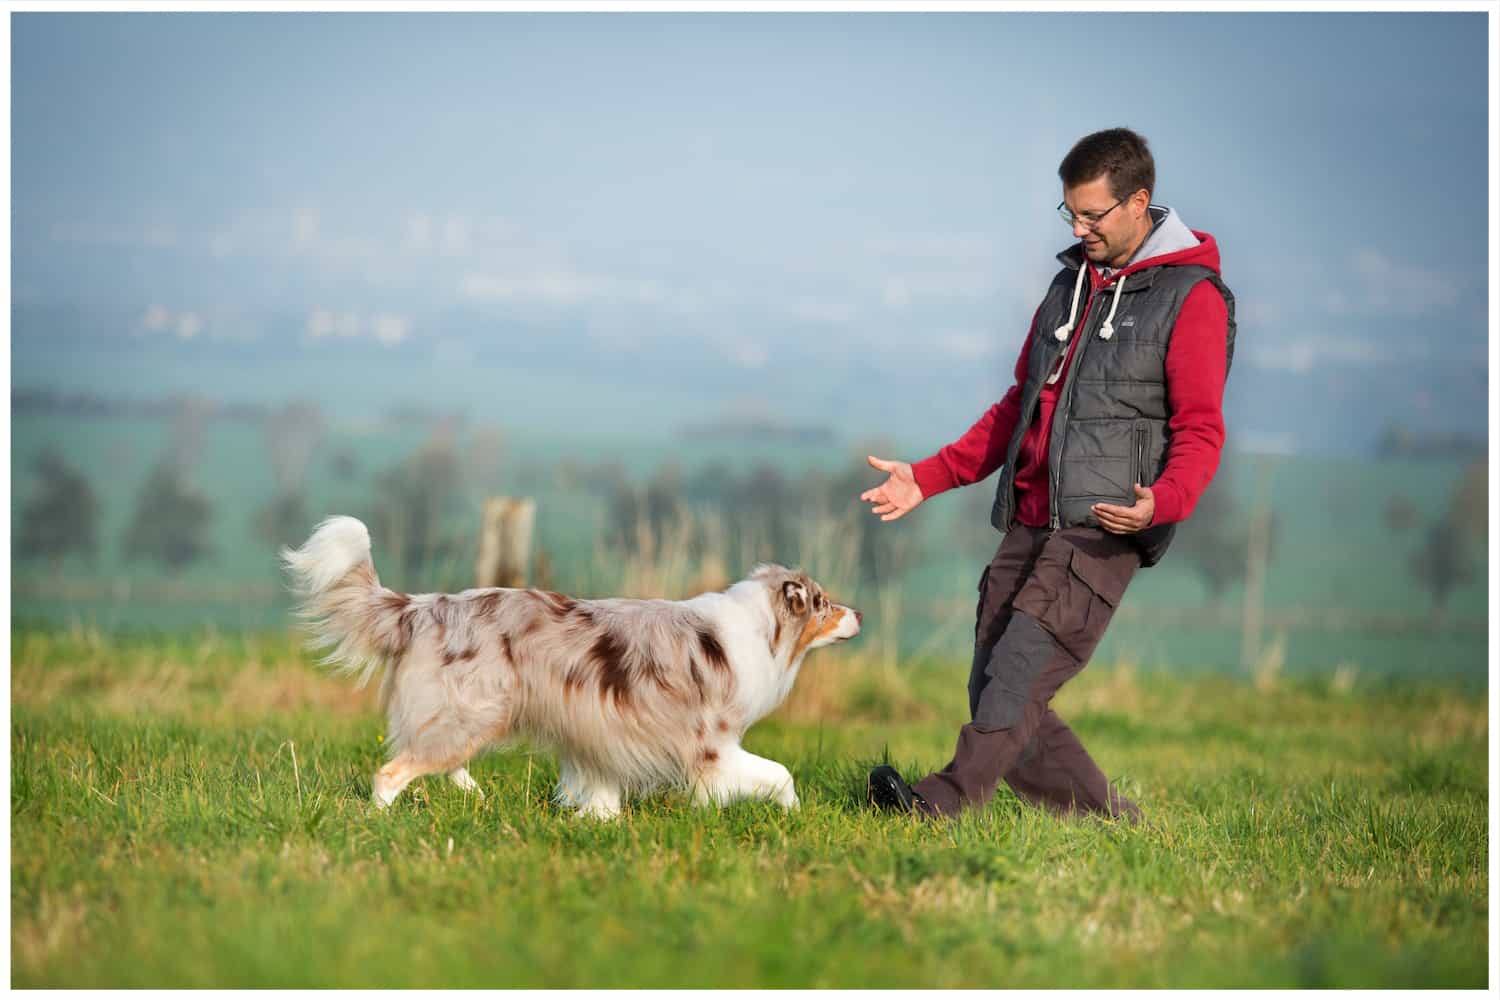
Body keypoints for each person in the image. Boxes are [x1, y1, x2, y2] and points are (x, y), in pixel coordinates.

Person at [860, 127, 1235, 822]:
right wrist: (930, 476)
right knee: (995, 684)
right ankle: (1113, 823)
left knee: (1016, 676)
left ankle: (940, 804)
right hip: (1031, 517)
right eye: (1070, 213)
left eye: (1094, 214)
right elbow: (1019, 405)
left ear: (1139, 203)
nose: (1080, 227)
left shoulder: (1193, 299)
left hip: (1103, 527)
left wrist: (1165, 503)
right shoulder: (1072, 286)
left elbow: (1201, 430)